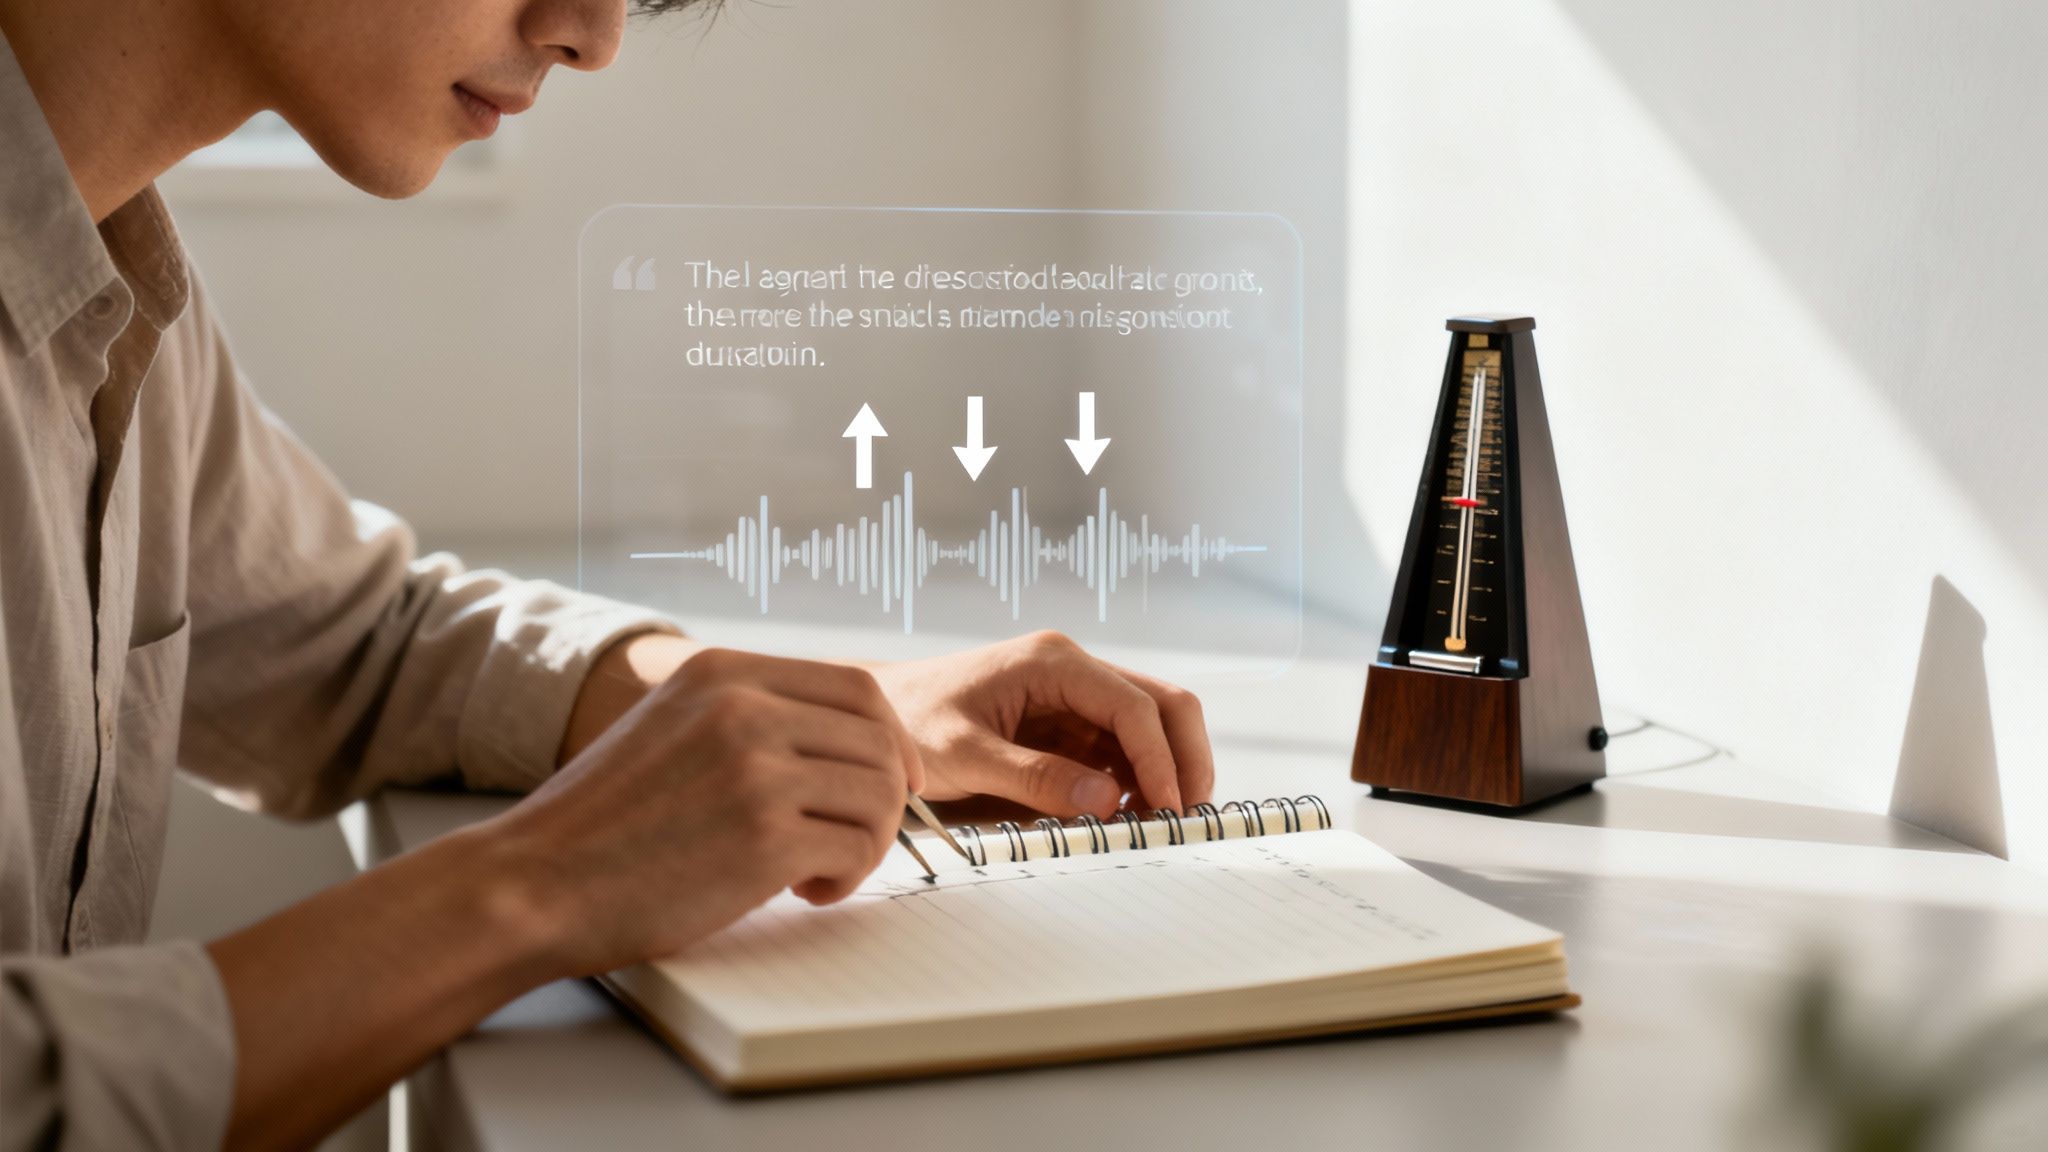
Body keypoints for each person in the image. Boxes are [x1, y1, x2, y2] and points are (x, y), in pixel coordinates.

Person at [0, 0, 1216, 1146]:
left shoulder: (110, 273)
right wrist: (529, 891)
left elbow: (367, 640)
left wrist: (835, 712)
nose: (592, 34)